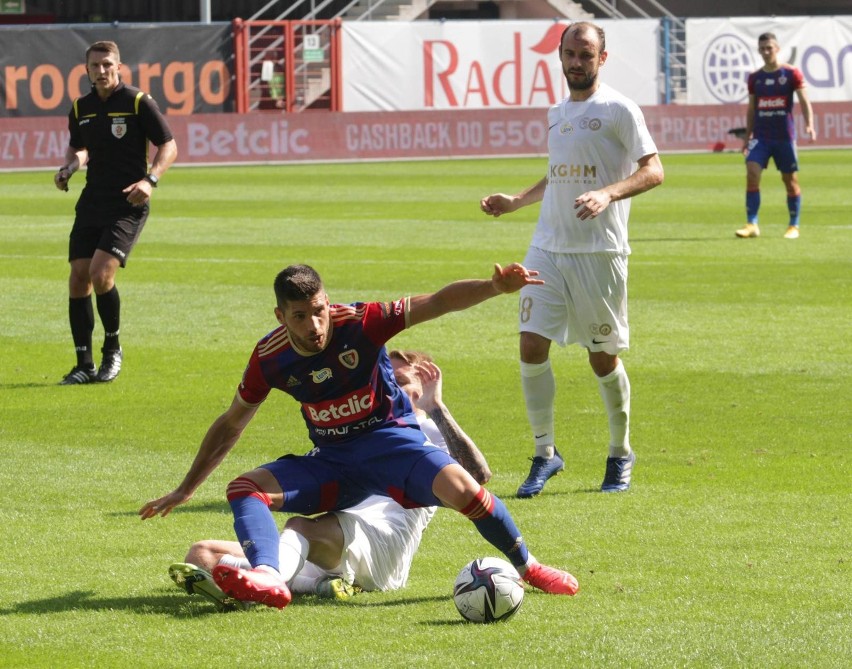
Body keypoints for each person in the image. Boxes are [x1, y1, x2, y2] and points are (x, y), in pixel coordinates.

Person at [140, 262, 579, 610]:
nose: (314, 325)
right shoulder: (269, 358)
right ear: (280, 317)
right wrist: (185, 488)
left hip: (393, 444)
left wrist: (493, 287)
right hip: (334, 462)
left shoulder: (360, 321)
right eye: (300, 316)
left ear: (327, 302)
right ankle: (269, 578)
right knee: (245, 488)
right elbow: (232, 422)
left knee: (464, 489)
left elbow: (437, 302)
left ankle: (530, 567)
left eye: (318, 310)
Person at [479, 22, 664, 497]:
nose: (576, 63)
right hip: (547, 248)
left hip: (600, 252)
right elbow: (557, 175)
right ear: (559, 56)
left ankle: (620, 453)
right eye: (570, 54)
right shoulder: (556, 111)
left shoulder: (620, 108)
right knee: (529, 346)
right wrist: (517, 201)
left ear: (602, 58)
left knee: (602, 359)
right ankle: (545, 455)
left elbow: (654, 170)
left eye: (586, 54)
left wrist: (608, 192)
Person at [168, 351, 493, 611]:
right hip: (331, 540)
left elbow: (478, 477)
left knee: (300, 528)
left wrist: (436, 406)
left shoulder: (431, 432)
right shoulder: (359, 429)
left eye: (402, 378)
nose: (391, 383)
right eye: (386, 377)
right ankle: (314, 585)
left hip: (382, 545)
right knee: (201, 554)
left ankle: (273, 581)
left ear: (423, 383)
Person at [54, 40, 177, 385]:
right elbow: (80, 148)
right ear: (87, 70)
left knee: (100, 273)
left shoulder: (137, 102)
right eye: (96, 66)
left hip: (128, 202)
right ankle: (83, 364)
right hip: (93, 199)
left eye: (108, 64)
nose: (102, 71)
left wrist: (150, 180)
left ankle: (113, 350)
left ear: (119, 66)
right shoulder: (81, 107)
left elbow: (168, 144)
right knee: (78, 276)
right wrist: (68, 168)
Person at [735, 32, 816, 240]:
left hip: (784, 138)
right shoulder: (755, 78)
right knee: (752, 172)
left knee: (790, 181)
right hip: (761, 137)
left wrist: (809, 124)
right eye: (762, 48)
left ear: (777, 49)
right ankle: (752, 223)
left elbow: (805, 101)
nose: (765, 52)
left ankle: (793, 225)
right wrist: (747, 137)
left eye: (769, 48)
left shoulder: (791, 74)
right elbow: (752, 109)